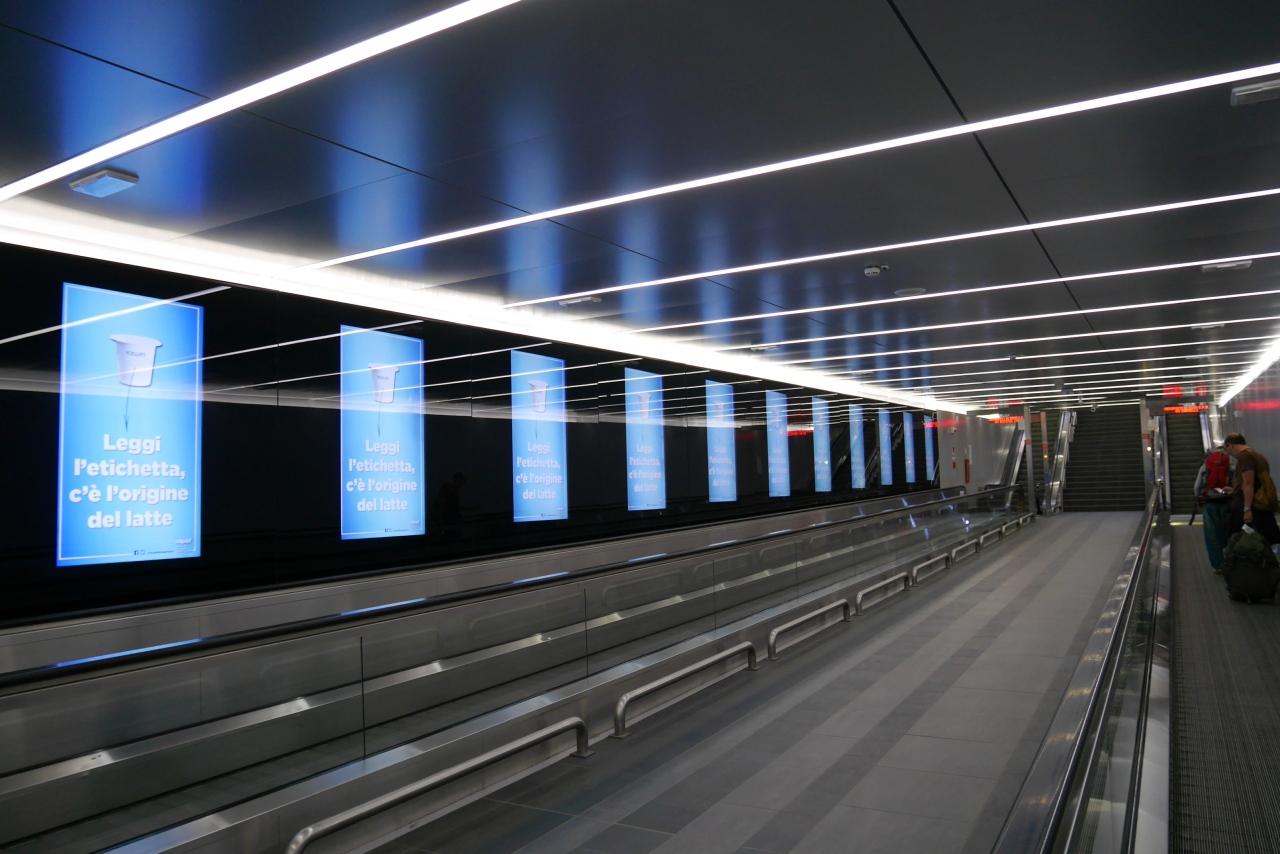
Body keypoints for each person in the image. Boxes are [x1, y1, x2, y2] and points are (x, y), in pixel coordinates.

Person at [1223, 432, 1280, 545]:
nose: (1227, 453)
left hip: (1254, 506)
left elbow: (1249, 483)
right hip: (1260, 504)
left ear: (1230, 445)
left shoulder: (1245, 457)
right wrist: (1235, 490)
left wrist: (1247, 509)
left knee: (1246, 541)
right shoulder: (1257, 455)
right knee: (1269, 537)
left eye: (1226, 449)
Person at [1193, 444, 1233, 570]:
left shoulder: (1205, 466)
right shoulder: (1231, 467)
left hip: (1210, 505)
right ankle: (1231, 561)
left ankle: (1218, 565)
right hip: (1228, 503)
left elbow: (1197, 487)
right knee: (1229, 532)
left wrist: (1198, 497)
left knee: (1212, 536)